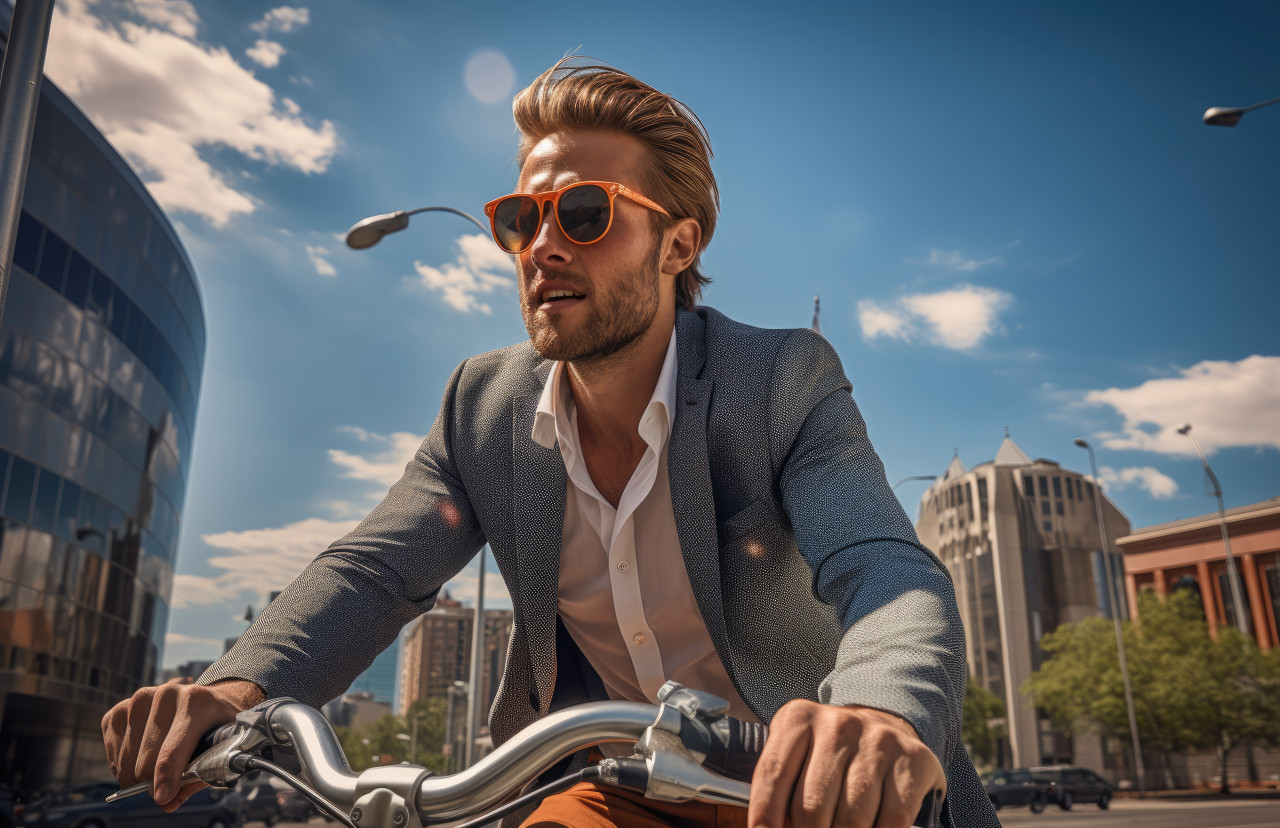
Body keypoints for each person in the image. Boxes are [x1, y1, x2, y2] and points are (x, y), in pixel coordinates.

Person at [101, 59, 999, 828]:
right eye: (522, 220)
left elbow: (886, 569)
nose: (542, 247)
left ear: (677, 243)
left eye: (584, 212)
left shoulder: (780, 379)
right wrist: (235, 688)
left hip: (806, 797)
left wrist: (879, 712)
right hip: (617, 793)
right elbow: (371, 572)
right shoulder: (481, 407)